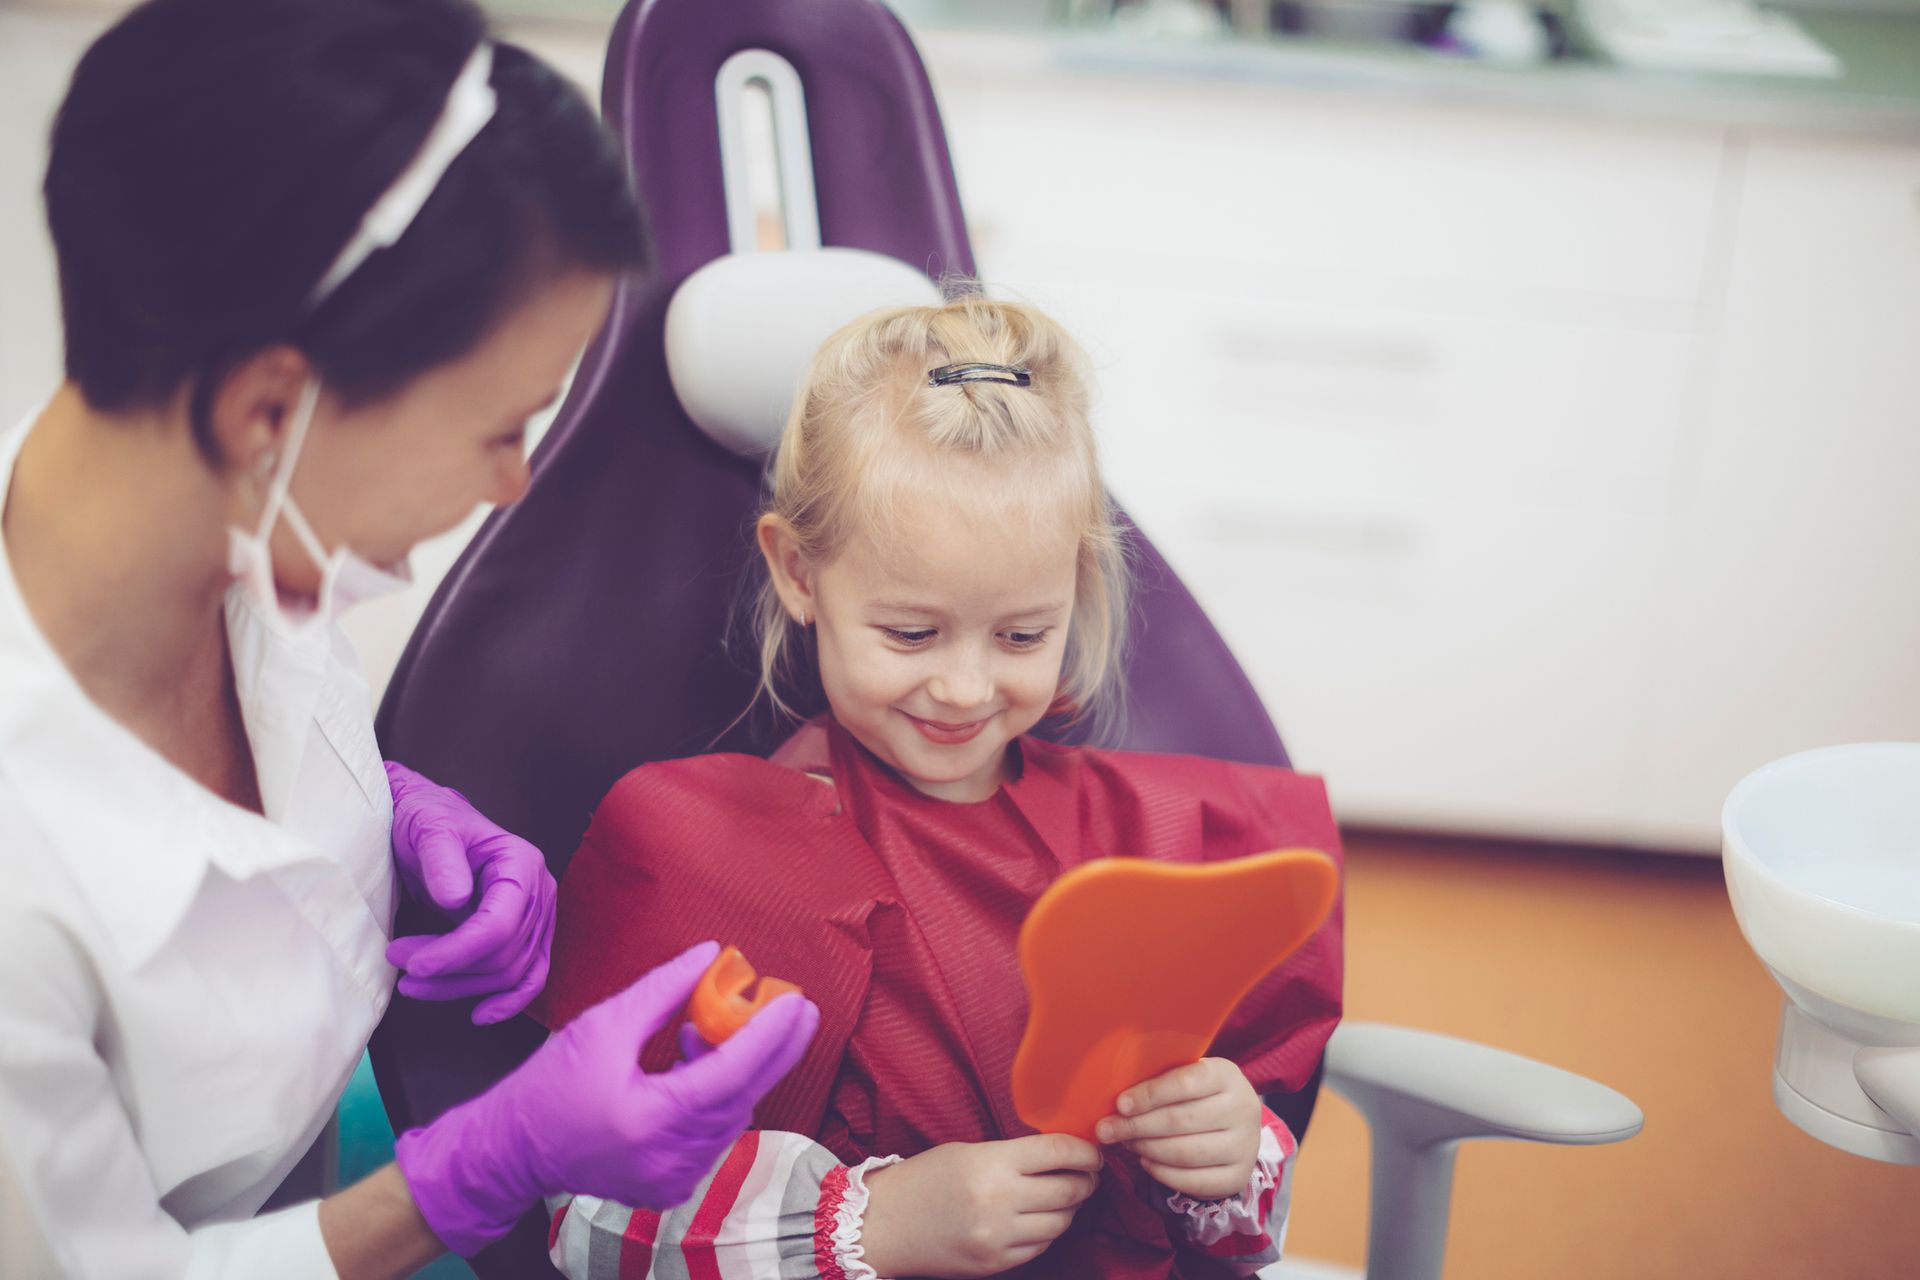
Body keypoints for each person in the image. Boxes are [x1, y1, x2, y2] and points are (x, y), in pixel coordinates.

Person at [0, 2, 817, 1276]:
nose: (513, 485)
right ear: (268, 404)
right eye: (504, 426)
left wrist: (385, 818)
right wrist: (490, 1164)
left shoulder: (227, 519)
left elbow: (210, 802)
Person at [536, 296, 1345, 1278]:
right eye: (911, 633)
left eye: (1021, 635)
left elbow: (1245, 1236)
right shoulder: (696, 854)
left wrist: (1226, 1151)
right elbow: (582, 1220)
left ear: (1075, 593)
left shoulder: (1157, 841)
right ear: (799, 571)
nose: (965, 687)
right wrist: (869, 1221)